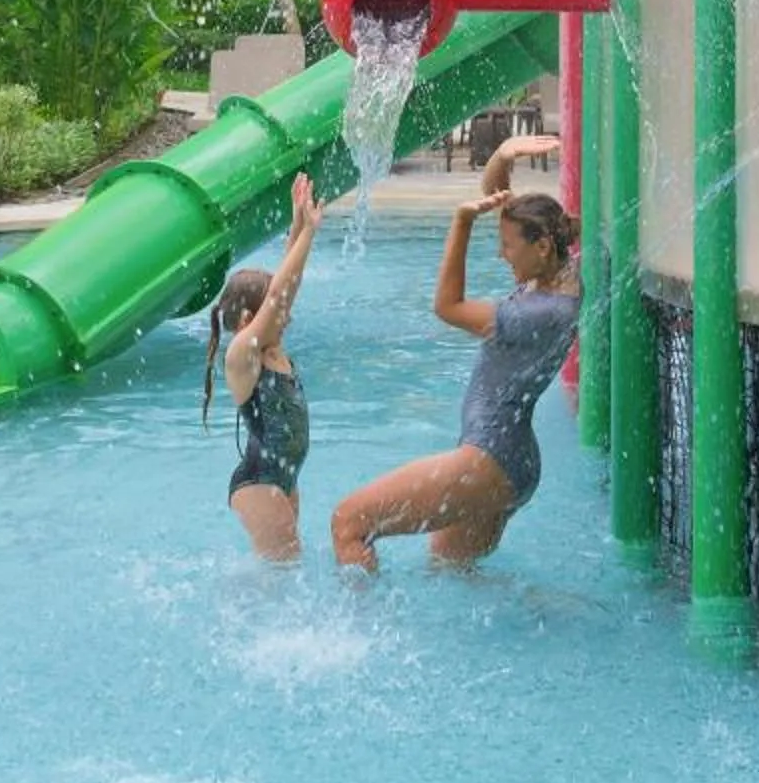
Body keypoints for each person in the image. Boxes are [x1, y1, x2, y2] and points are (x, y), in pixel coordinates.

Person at [330, 133, 575, 571]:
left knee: (350, 522)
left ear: (541, 246)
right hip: (512, 459)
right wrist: (501, 156)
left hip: (489, 457)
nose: (502, 256)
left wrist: (461, 222)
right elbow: (510, 211)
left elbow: (447, 306)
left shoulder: (537, 313)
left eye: (507, 248)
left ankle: (357, 634)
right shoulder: (557, 275)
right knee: (449, 570)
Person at [205, 173, 324, 562]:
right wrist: (309, 234)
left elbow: (285, 289)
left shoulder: (274, 348)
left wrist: (298, 224)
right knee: (282, 573)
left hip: (284, 477)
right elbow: (278, 297)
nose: (286, 315)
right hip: (258, 481)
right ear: (245, 321)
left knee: (284, 574)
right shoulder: (243, 354)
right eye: (274, 314)